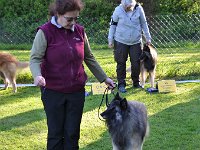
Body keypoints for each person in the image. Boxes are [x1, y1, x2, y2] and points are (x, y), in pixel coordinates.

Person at [29, 0, 115, 149]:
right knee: (56, 133)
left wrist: (104, 78)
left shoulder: (80, 31)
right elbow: (35, 58)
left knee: (72, 133)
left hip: (76, 91)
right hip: (53, 91)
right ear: (58, 14)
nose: (73, 22)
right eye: (69, 19)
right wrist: (37, 75)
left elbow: (89, 57)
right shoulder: (45, 31)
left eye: (76, 18)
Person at [108, 0, 151, 93]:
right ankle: (121, 84)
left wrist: (148, 38)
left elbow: (144, 23)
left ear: (133, 4)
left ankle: (136, 82)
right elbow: (113, 25)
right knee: (121, 63)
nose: (127, 8)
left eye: (129, 6)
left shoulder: (139, 9)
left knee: (136, 63)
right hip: (120, 41)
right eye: (125, 6)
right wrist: (110, 39)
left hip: (136, 41)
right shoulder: (118, 10)